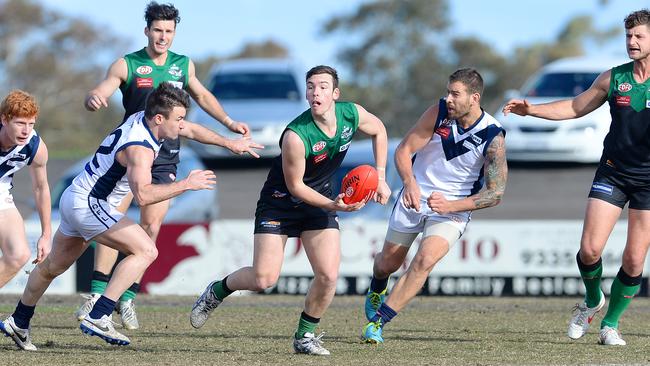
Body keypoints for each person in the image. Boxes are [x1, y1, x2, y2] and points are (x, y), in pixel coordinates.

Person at [189, 65, 392, 355]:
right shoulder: (296, 135)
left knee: (328, 276)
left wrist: (381, 179)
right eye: (310, 86)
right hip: (280, 203)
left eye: (322, 86)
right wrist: (334, 205)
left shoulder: (352, 114)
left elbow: (380, 130)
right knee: (264, 279)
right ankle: (217, 291)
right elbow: (295, 187)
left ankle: (304, 337)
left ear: (335, 93)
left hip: (318, 201)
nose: (315, 92)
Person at [79, 1, 256, 329]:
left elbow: (202, 96)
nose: (163, 37)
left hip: (166, 156)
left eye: (169, 31)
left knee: (151, 227)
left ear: (175, 33)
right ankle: (97, 294)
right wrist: (94, 97)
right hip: (131, 154)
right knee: (112, 220)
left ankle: (127, 297)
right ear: (146, 30)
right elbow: (102, 89)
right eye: (157, 30)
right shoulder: (127, 64)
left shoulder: (182, 65)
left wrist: (230, 124)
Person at [0, 83, 217, 350]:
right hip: (89, 204)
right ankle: (100, 313)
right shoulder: (141, 148)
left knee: (51, 268)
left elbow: (190, 129)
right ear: (159, 119)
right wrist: (187, 184)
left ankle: (19, 321)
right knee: (147, 251)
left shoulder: (144, 117)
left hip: (74, 196)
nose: (183, 126)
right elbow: (144, 197)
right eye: (179, 119)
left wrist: (230, 142)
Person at [502, 9, 650, 347]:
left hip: (649, 180)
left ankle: (610, 324)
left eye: (639, 36)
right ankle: (593, 298)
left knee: (634, 259)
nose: (632, 41)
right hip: (613, 171)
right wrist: (532, 110)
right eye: (628, 36)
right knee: (589, 250)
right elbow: (573, 107)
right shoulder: (613, 78)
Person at [361, 68, 507, 344]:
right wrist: (410, 183)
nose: (448, 98)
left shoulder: (493, 136)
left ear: (474, 98)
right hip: (413, 199)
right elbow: (403, 150)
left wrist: (451, 206)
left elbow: (496, 193)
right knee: (386, 264)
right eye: (447, 92)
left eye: (455, 94)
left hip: (452, 210)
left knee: (424, 261)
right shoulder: (437, 113)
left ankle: (378, 322)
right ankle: (377, 286)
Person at [0, 90, 51, 289]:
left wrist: (46, 234)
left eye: (31, 124)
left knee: (19, 254)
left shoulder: (35, 147)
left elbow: (41, 188)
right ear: (4, 120)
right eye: (20, 123)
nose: (26, 130)